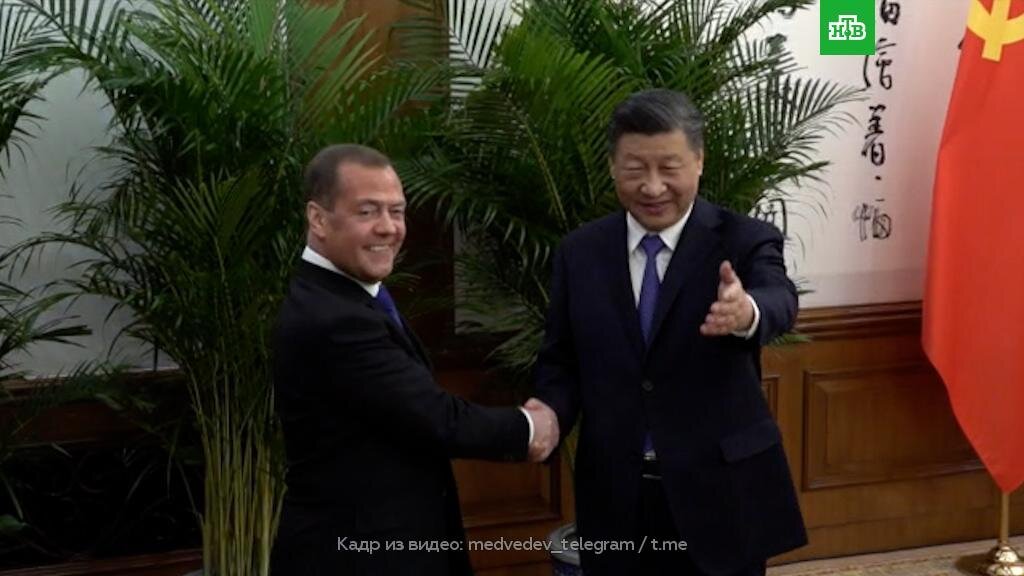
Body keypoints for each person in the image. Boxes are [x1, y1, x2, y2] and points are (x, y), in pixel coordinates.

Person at [534, 89, 807, 576]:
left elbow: (779, 299)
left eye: (669, 167)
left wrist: (745, 311)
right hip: (616, 495)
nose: (653, 186)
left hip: (720, 493)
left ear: (699, 161)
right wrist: (548, 411)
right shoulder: (581, 252)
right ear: (613, 166)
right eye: (635, 169)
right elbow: (562, 359)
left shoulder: (743, 239)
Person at [270, 144, 558, 575]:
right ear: (318, 218)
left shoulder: (348, 296)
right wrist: (531, 428)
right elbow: (434, 417)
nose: (388, 228)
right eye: (367, 211)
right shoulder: (333, 317)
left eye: (397, 211)